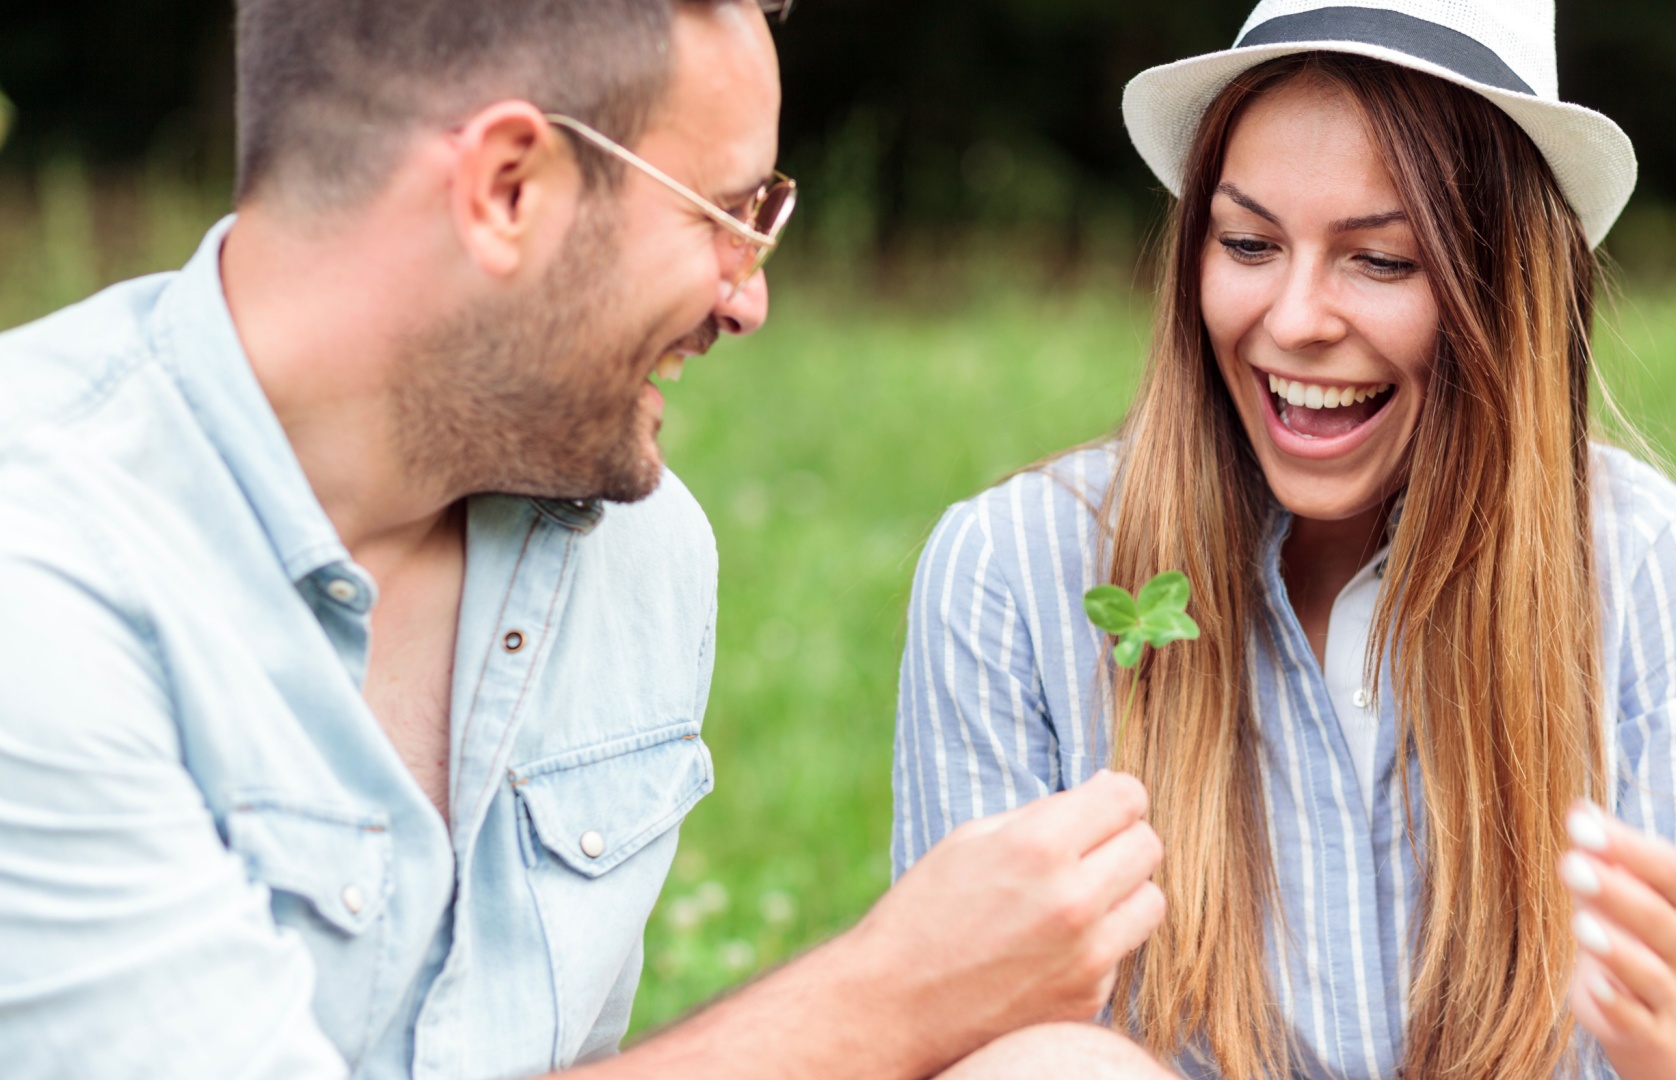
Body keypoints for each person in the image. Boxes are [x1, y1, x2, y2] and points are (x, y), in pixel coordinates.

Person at [0, 1, 1179, 1078]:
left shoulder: (640, 552)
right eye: (729, 215)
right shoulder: (44, 565)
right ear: (509, 188)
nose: (749, 298)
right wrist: (885, 998)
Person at [893, 2, 1676, 1078]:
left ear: (1507, 291)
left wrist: (1672, 1014)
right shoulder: (1017, 570)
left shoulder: (1643, 564)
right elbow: (953, 1042)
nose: (1295, 317)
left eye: (1382, 262)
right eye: (1248, 243)